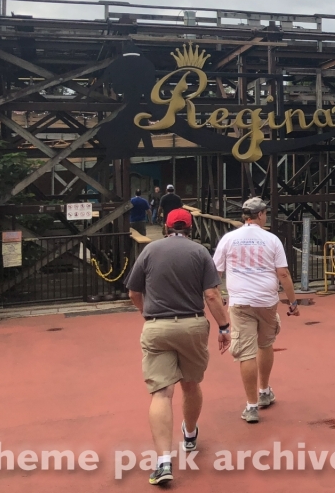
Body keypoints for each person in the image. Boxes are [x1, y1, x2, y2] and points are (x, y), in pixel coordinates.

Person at [125, 208, 232, 486]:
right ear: (190, 228)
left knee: (161, 392)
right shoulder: (200, 252)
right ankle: (190, 434)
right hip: (192, 323)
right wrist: (224, 327)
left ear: (165, 226)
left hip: (157, 325)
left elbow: (133, 292)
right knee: (191, 384)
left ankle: (163, 462)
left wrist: (146, 313)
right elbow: (211, 294)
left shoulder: (149, 251)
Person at [212, 197, 299, 424]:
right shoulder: (271, 239)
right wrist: (292, 302)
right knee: (265, 344)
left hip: (240, 301)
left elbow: (215, 273)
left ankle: (251, 406)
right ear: (260, 215)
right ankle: (264, 391)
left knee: (246, 353)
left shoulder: (229, 239)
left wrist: (219, 296)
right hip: (266, 301)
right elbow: (283, 274)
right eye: (265, 213)